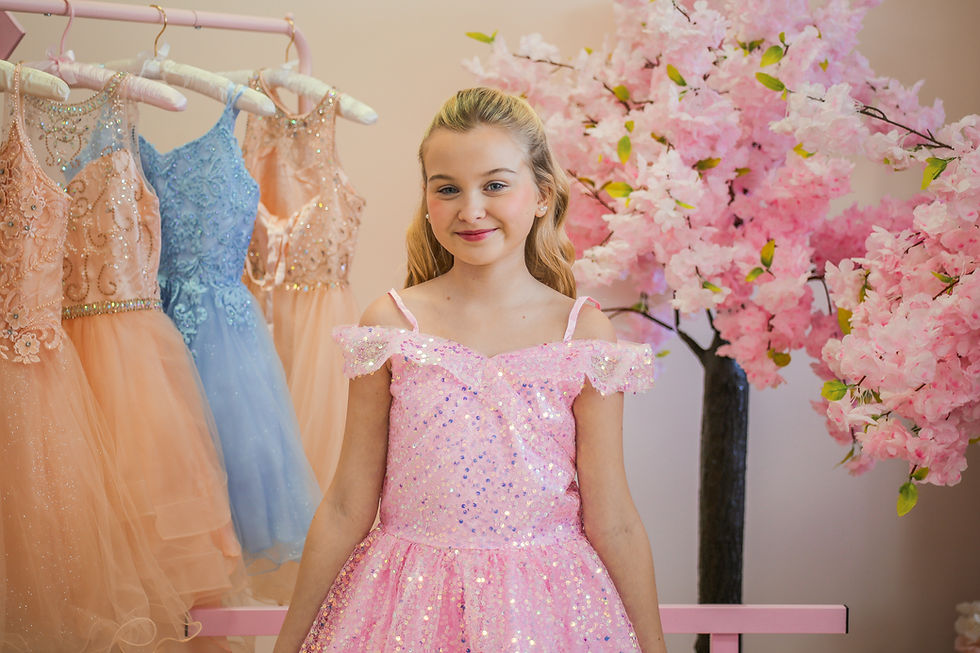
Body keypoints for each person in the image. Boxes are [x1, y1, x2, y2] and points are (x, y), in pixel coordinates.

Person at [274, 87, 668, 653]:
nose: (471, 209)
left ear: (542, 195)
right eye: (447, 189)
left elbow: (615, 519)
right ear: (427, 199)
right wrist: (288, 644)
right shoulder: (391, 326)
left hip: (548, 611)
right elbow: (344, 506)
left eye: (495, 185)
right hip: (406, 608)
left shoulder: (581, 333)